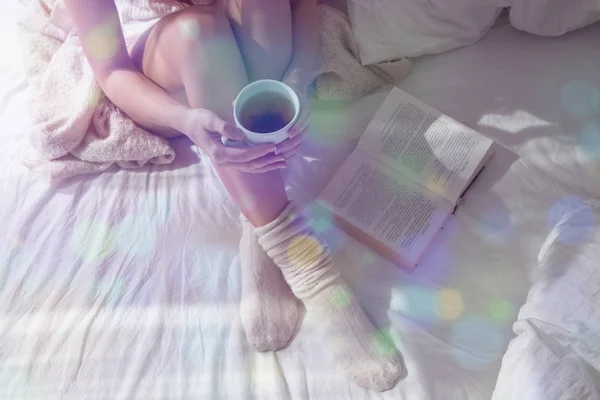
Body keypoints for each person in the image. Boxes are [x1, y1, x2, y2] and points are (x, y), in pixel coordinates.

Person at [64, 0, 402, 391]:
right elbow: (111, 70)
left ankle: (258, 221)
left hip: (249, 58)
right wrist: (184, 120)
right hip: (167, 75)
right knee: (200, 30)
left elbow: (303, 5)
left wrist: (295, 77)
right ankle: (309, 267)